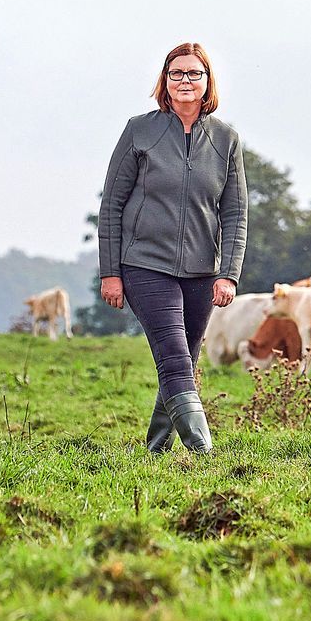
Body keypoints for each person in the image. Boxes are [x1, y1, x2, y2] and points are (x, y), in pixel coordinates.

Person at [97, 42, 247, 454]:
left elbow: (235, 213)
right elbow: (111, 203)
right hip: (145, 264)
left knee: (184, 362)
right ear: (165, 80)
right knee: (176, 358)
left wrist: (228, 273)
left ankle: (156, 448)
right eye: (176, 73)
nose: (185, 80)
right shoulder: (139, 130)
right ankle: (203, 449)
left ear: (207, 82)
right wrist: (110, 271)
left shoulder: (226, 140)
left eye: (193, 73)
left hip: (201, 269)